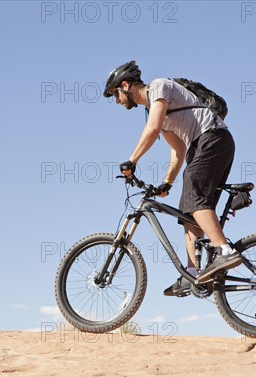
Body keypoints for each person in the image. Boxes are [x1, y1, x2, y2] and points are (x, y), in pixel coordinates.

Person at [103, 60, 242, 297]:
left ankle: (225, 251)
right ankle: (192, 273)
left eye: (115, 94)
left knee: (195, 197)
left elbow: (153, 128)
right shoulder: (154, 108)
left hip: (211, 139)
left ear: (125, 85)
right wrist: (167, 183)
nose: (116, 101)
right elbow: (178, 150)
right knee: (191, 210)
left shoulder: (159, 87)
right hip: (205, 145)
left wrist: (132, 160)